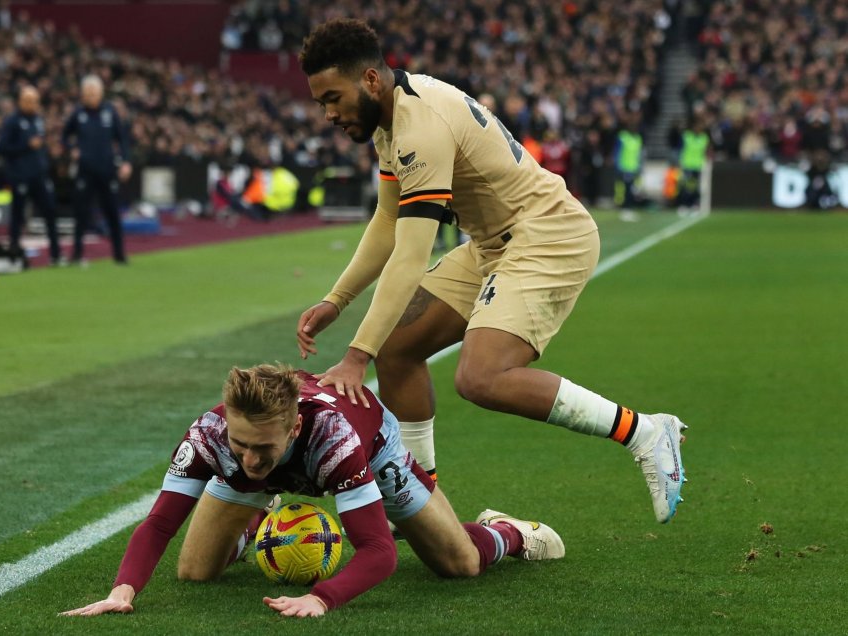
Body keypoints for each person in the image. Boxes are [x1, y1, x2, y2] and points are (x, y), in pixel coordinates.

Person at [294, 19, 687, 525]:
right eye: (321, 102)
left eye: (332, 97)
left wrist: (353, 358)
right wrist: (337, 299)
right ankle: (421, 504)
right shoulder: (392, 116)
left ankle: (645, 432)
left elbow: (411, 255)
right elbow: (388, 219)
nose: (328, 113)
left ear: (369, 79)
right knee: (397, 350)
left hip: (546, 234)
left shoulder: (419, 126)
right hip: (492, 243)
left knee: (482, 377)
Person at [62, 365, 562, 619]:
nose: (249, 458)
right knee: (195, 571)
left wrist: (322, 599)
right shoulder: (210, 438)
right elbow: (160, 524)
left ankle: (508, 533)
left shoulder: (334, 441)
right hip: (288, 467)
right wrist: (121, 591)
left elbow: (378, 552)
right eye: (240, 443)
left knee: (459, 565)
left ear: (295, 429)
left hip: (376, 447)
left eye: (262, 447)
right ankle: (263, 520)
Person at [61, 75, 132, 265]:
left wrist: (125, 162)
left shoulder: (110, 112)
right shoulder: (78, 113)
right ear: (83, 94)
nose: (91, 96)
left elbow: (122, 139)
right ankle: (76, 253)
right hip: (85, 171)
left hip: (107, 170)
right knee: (81, 213)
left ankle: (119, 254)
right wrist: (71, 149)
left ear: (101, 93)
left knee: (112, 212)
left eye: (94, 92)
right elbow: (64, 136)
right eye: (87, 92)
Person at [0, 85, 62, 265]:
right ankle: (14, 254)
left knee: (50, 212)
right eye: (28, 100)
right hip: (21, 177)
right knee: (18, 216)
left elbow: (39, 147)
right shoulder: (12, 121)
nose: (32, 104)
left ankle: (56, 255)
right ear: (20, 101)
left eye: (34, 101)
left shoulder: (38, 120)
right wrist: (25, 146)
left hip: (39, 176)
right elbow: (1, 148)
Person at [614, 114, 645, 213]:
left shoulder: (638, 139)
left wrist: (640, 167)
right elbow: (617, 152)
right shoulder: (623, 137)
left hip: (634, 167)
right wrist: (618, 165)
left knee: (633, 189)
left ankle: (629, 207)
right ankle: (625, 207)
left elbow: (639, 154)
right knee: (625, 189)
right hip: (624, 167)